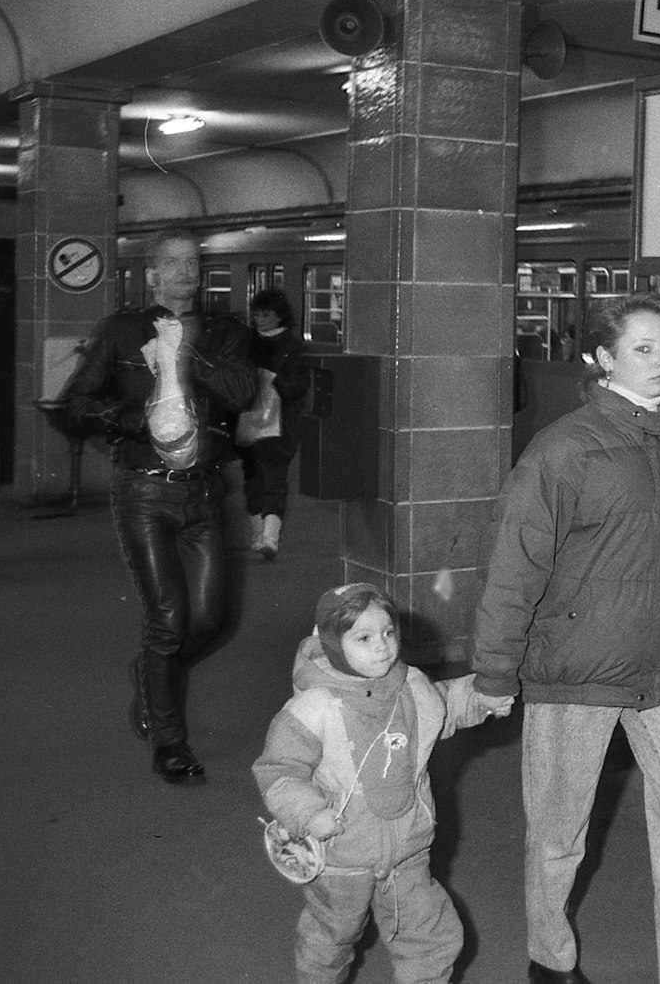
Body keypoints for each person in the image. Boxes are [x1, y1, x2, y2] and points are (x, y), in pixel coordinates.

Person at [470, 291, 660, 984]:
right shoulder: (565, 449)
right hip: (578, 668)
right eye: (643, 348)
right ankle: (550, 957)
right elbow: (515, 563)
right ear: (602, 358)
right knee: (557, 834)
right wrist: (493, 671)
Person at [58, 227, 256, 783]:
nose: (183, 273)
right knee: (168, 616)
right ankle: (170, 744)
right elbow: (75, 402)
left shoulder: (225, 332)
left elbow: (243, 394)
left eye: (192, 263)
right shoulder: (120, 331)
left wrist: (186, 352)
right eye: (171, 264)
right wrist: (125, 417)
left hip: (204, 493)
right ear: (151, 274)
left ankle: (150, 671)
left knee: (212, 617)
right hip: (143, 491)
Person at [253, 581, 501, 984]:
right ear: (335, 644)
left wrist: (483, 699)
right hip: (342, 854)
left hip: (407, 848)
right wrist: (311, 814)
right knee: (331, 937)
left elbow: (446, 705)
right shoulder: (313, 708)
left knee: (430, 934)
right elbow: (279, 770)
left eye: (388, 633)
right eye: (364, 638)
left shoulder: (412, 686)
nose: (382, 647)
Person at [237, 286, 310, 560]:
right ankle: (258, 534)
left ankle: (270, 538)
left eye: (266, 315)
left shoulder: (294, 348)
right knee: (252, 481)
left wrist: (274, 379)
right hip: (248, 420)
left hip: (281, 425)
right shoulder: (245, 342)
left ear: (280, 317)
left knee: (275, 481)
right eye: (257, 315)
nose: (260, 320)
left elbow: (299, 387)